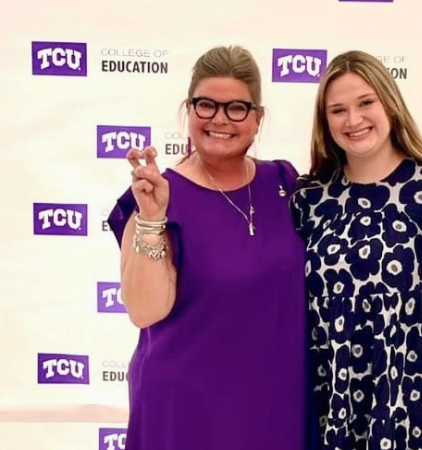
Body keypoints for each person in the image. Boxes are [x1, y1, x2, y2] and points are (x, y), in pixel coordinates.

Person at [290, 50, 422, 450]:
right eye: (338, 110)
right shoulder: (310, 200)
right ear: (325, 122)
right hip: (338, 408)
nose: (353, 120)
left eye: (365, 103)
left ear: (390, 103)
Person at [106, 45, 308, 450]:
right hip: (186, 408)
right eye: (206, 105)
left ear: (257, 118)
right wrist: (151, 217)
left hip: (276, 403)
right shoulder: (158, 193)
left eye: (236, 108)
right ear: (188, 109)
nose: (220, 119)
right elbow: (145, 310)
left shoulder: (283, 182)